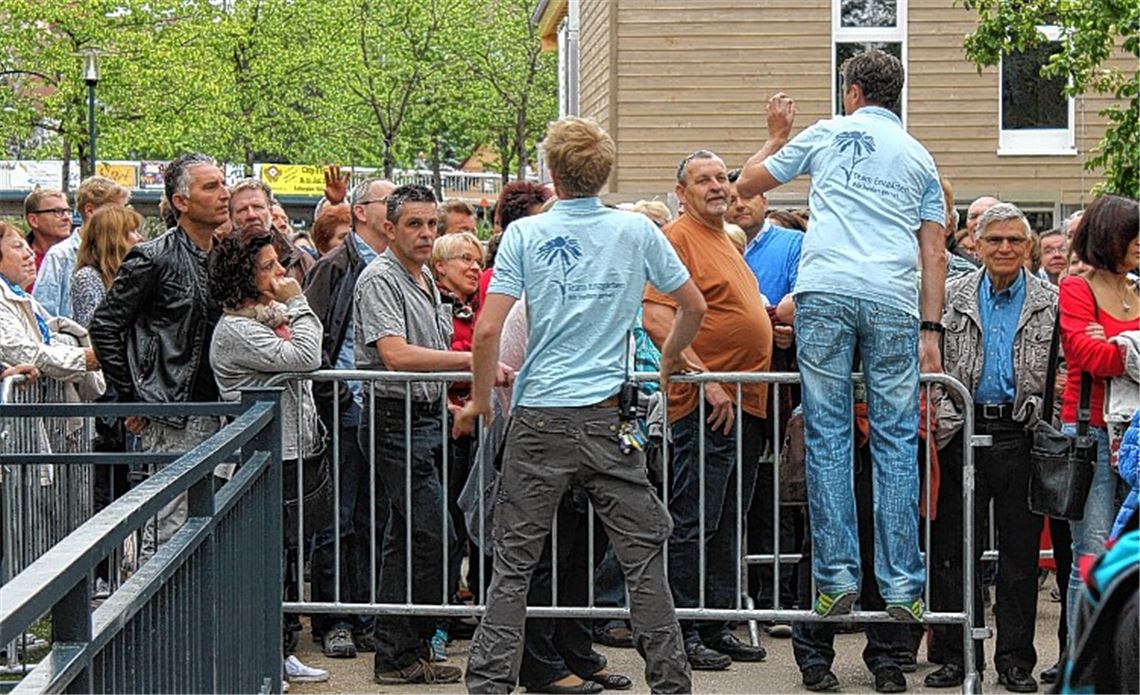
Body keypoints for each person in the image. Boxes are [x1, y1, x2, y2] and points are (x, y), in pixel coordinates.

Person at [456, 116, 704, 694]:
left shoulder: (526, 234)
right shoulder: (636, 231)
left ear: (553, 171)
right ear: (605, 172)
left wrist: (480, 398)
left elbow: (488, 328)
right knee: (643, 560)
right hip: (607, 418)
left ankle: (488, 684)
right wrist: (669, 359)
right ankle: (671, 682)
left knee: (513, 566)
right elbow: (692, 305)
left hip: (539, 418)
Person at [737, 49, 946, 624]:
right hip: (893, 297)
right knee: (895, 439)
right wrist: (931, 329)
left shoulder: (827, 133)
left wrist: (776, 135)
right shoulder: (920, 156)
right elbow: (934, 253)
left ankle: (836, 579)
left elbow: (746, 184)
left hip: (826, 290)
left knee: (828, 434)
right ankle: (902, 586)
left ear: (852, 91)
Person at [353, 184, 506, 686]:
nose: (425, 233)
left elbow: (421, 355)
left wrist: (450, 404)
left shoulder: (421, 278)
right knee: (433, 536)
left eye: (431, 224)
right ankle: (402, 648)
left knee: (410, 537)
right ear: (389, 228)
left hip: (423, 417)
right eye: (414, 224)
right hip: (393, 421)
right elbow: (395, 355)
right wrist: (473, 361)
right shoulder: (381, 278)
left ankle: (401, 652)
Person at [643, 150, 772, 671]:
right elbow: (656, 318)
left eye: (722, 177)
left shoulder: (723, 239)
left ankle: (717, 623)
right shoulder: (677, 238)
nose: (718, 186)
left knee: (727, 521)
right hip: (706, 405)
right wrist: (705, 379)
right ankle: (686, 629)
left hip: (745, 402)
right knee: (695, 518)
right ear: (681, 193)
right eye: (704, 180)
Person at [925, 203, 1057, 692]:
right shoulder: (949, 296)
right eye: (995, 240)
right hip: (961, 431)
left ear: (1029, 247)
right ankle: (958, 658)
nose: (1005, 248)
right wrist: (941, 410)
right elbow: (929, 360)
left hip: (1022, 434)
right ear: (976, 245)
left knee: (1020, 557)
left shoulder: (1050, 301)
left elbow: (1062, 367)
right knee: (954, 551)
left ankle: (1015, 661)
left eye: (1014, 240)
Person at [89, 153, 229, 562]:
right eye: (211, 187)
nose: (224, 194)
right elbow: (105, 325)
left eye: (223, 184)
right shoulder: (153, 257)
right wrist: (133, 395)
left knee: (210, 525)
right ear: (181, 201)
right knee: (168, 529)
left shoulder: (223, 254)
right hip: (173, 412)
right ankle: (154, 603)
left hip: (220, 408)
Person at [207, 229, 328, 686]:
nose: (281, 272)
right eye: (269, 266)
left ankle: (276, 652)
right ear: (244, 276)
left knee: (280, 559)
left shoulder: (264, 317)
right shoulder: (236, 330)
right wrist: (299, 302)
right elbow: (307, 355)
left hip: (288, 450)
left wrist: (290, 307)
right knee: (260, 566)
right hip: (255, 459)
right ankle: (260, 659)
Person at [303, 176, 396, 660]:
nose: (397, 208)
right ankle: (334, 619)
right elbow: (313, 338)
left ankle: (366, 616)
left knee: (373, 517)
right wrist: (335, 398)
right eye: (388, 201)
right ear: (361, 211)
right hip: (344, 409)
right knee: (336, 519)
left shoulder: (397, 266)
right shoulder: (334, 266)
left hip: (383, 410)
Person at [1058, 194, 1139, 641]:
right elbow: (1088, 357)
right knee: (1090, 555)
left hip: (1135, 436)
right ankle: (1084, 665)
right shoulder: (1077, 287)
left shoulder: (1138, 288)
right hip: (1089, 432)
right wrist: (1131, 347)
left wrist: (1115, 344)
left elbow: (1104, 353)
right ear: (1109, 237)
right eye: (1132, 234)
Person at [0, 221, 100, 381]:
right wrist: (85, 358)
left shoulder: (21, 297)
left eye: (27, 247)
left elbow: (45, 340)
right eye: (18, 247)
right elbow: (17, 350)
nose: (29, 254)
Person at [34, 176, 131, 318]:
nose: (122, 218)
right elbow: (43, 313)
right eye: (115, 211)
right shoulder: (60, 256)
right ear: (90, 210)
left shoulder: (121, 252)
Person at [70, 207, 145, 329]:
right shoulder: (88, 278)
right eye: (132, 231)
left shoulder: (135, 274)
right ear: (113, 239)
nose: (140, 238)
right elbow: (94, 329)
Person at [229, 178, 315, 284]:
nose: (251, 215)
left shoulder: (302, 262)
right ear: (231, 217)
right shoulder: (218, 260)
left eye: (257, 207)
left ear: (270, 212)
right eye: (242, 209)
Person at [22, 188, 73, 283]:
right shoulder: (19, 260)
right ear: (33, 220)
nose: (67, 218)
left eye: (68, 212)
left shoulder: (82, 256)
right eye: (58, 212)